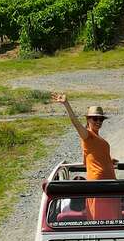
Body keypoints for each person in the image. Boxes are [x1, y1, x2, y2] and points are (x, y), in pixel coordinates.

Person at [51, 93, 119, 221]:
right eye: (95, 119)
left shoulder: (97, 138)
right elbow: (76, 124)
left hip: (109, 181)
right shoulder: (87, 136)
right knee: (100, 218)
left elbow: (91, 157)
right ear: (88, 120)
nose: (98, 122)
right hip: (99, 183)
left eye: (101, 119)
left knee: (112, 219)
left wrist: (109, 161)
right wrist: (66, 104)